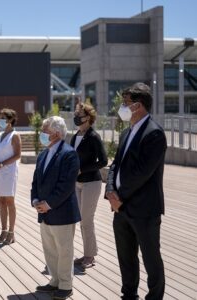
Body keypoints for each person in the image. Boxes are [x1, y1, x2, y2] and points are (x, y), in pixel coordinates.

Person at [105, 83, 166, 300]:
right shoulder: (126, 133)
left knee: (151, 258)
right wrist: (111, 191)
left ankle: (155, 297)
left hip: (144, 209)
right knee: (126, 257)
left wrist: (120, 198)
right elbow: (115, 166)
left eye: (126, 103)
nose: (122, 107)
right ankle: (128, 294)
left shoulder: (155, 134)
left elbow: (142, 173)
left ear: (138, 105)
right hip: (120, 207)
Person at [31, 116, 80, 300]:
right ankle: (55, 280)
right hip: (44, 212)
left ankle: (66, 285)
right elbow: (36, 181)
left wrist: (48, 203)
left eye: (45, 131)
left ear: (57, 134)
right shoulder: (43, 154)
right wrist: (35, 199)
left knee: (64, 249)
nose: (42, 134)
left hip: (62, 211)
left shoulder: (69, 154)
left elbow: (66, 185)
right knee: (50, 248)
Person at [70, 102, 107, 269]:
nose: (76, 117)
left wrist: (82, 170)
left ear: (88, 117)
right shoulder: (75, 135)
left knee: (86, 220)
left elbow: (104, 161)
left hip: (91, 182)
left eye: (79, 114)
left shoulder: (93, 137)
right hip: (77, 183)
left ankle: (90, 256)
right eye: (76, 114)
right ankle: (87, 253)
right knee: (81, 220)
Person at [0, 108, 21, 245]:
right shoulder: (0, 134)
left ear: (10, 120)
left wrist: (2, 164)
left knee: (9, 202)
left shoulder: (15, 135)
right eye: (0, 118)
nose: (1, 120)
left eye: (4, 118)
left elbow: (17, 155)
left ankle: (11, 232)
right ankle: (3, 230)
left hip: (9, 171)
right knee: (1, 202)